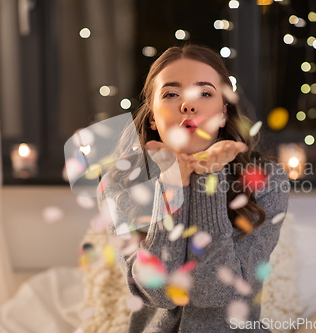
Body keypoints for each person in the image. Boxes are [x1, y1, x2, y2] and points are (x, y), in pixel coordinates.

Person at [98, 44, 289, 332]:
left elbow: (219, 291)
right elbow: (159, 292)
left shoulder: (266, 179)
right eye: (172, 94)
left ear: (223, 113)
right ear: (152, 116)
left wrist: (207, 179)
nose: (188, 104)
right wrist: (172, 183)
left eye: (204, 92)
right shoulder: (120, 182)